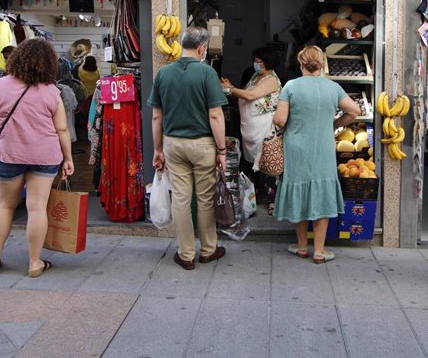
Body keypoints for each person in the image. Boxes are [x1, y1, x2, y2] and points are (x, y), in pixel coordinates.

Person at [0, 39, 75, 278]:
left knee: (5, 205)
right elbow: (62, 129)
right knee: (37, 207)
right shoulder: (51, 91)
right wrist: (68, 158)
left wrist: (7, 141)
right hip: (45, 154)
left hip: (8, 154)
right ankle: (34, 263)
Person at [147, 27, 228, 271]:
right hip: (202, 144)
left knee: (180, 199)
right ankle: (208, 250)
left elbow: (156, 116)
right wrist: (222, 151)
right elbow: (215, 114)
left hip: (173, 143)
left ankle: (186, 254)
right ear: (202, 48)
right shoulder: (207, 73)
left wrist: (158, 149)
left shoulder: (163, 73)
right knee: (204, 199)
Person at [272, 46, 361, 263]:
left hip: (296, 148)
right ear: (321, 64)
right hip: (323, 148)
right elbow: (354, 111)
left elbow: (280, 120)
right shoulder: (333, 87)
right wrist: (334, 124)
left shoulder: (291, 86)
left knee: (299, 191)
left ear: (300, 63)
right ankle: (320, 250)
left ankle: (302, 246)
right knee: (321, 192)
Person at [221, 48, 282, 215]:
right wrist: (231, 87)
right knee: (251, 163)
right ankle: (252, 198)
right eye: (255, 60)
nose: (255, 64)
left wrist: (230, 89)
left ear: (267, 62)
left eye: (259, 61)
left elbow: (250, 96)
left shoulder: (271, 80)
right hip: (251, 129)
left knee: (267, 163)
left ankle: (272, 201)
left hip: (265, 129)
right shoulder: (256, 77)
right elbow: (246, 93)